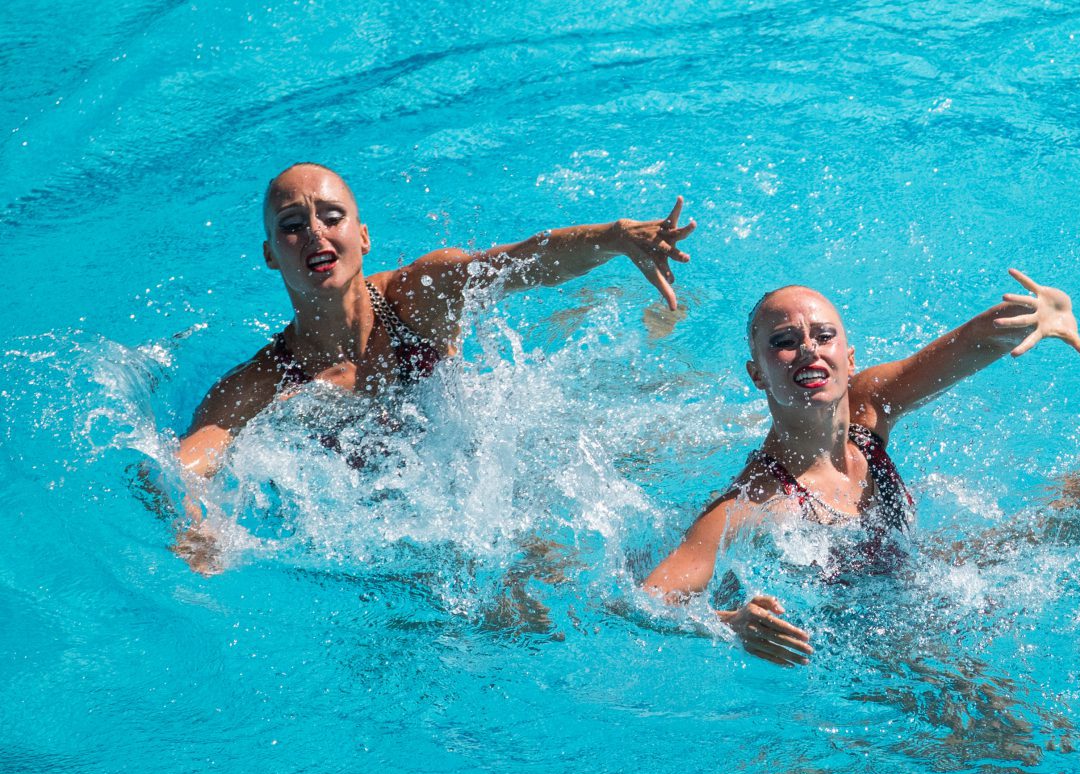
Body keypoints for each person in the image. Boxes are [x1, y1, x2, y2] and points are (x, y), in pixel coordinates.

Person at [169, 162, 694, 568]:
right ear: (269, 255)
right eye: (292, 225)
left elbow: (521, 263)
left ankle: (658, 324)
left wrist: (615, 237)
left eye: (332, 217)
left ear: (364, 237)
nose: (314, 233)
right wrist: (197, 529)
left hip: (496, 473)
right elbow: (183, 470)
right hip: (395, 530)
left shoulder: (416, 298)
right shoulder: (264, 382)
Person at [641, 269, 1080, 667]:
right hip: (862, 645)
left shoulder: (869, 407)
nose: (807, 350)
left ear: (850, 358)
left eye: (823, 336)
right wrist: (732, 624)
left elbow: (969, 344)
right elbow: (645, 601)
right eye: (784, 342)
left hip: (917, 580)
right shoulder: (755, 498)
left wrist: (1035, 316)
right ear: (757, 374)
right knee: (996, 729)